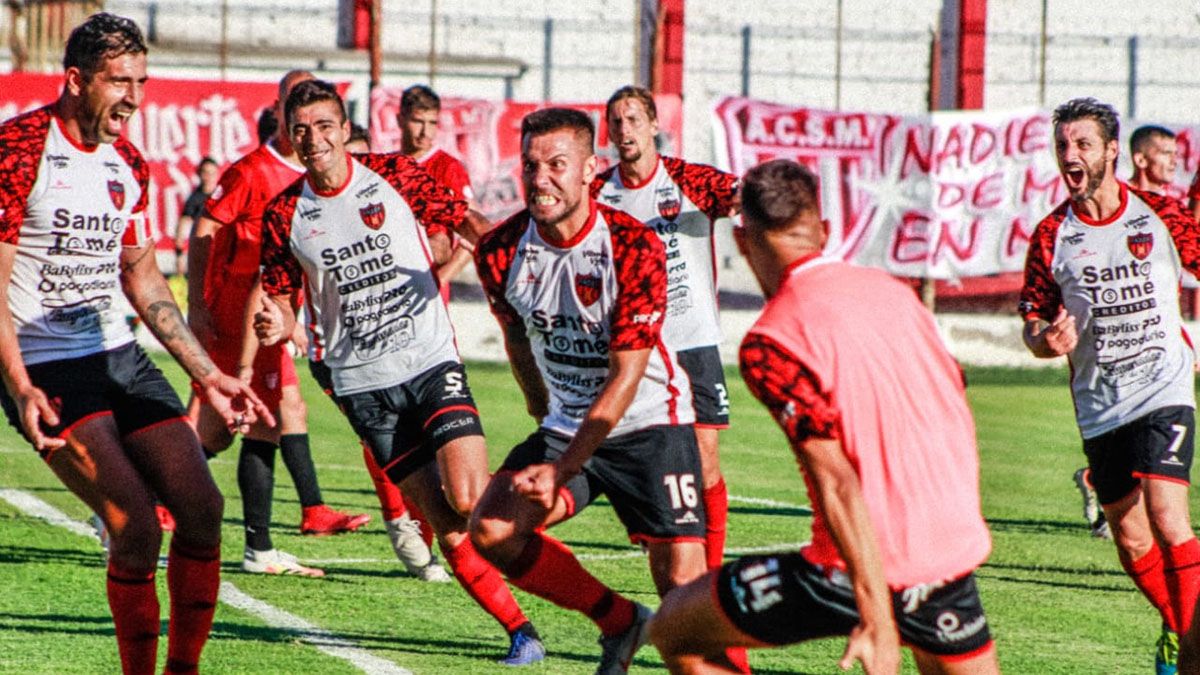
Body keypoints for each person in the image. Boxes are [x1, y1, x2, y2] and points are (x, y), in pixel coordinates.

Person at [647, 158, 998, 675]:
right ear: (825, 231)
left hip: (855, 566)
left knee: (675, 628)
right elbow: (953, 397)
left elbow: (836, 481)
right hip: (949, 549)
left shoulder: (773, 340)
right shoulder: (895, 294)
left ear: (742, 243)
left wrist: (877, 616)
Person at [0, 13, 272, 674]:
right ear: (75, 80)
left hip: (117, 353)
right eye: (119, 81)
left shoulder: (130, 166)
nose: (135, 98)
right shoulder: (19, 150)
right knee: (136, 526)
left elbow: (142, 275)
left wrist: (210, 375)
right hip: (42, 360)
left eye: (142, 81)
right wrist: (19, 386)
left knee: (203, 508)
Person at [254, 79, 545, 665]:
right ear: (289, 135)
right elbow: (283, 300)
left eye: (324, 126)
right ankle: (521, 631)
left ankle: (549, 530)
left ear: (344, 129)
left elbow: (468, 221)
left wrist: (515, 268)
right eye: (301, 129)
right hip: (359, 383)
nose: (314, 140)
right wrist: (274, 322)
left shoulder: (396, 178)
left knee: (467, 498)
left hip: (428, 360)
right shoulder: (284, 212)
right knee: (439, 518)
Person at [470, 107, 709, 674]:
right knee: (492, 529)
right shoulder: (501, 250)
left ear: (589, 171)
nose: (541, 179)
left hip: (652, 422)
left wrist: (561, 466)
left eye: (557, 164)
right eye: (531, 166)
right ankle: (621, 622)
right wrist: (542, 413)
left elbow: (626, 375)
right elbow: (516, 339)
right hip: (568, 426)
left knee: (683, 587)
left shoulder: (633, 248)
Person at [1020, 97, 1200, 675]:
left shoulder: (1161, 215)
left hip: (1164, 385)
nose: (1070, 156)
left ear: (1111, 151)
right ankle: (1180, 631)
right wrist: (1044, 338)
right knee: (1130, 537)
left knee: (1169, 516)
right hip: (1101, 401)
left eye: (1082, 144)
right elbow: (1032, 318)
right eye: (1063, 146)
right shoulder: (1052, 234)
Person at [187, 69, 368, 578]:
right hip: (236, 314)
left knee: (263, 421)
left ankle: (266, 541)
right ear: (280, 111)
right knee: (229, 427)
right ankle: (141, 497)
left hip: (270, 315)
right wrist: (200, 308)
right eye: (295, 110)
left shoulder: (316, 174)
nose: (305, 125)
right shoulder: (251, 171)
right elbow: (206, 227)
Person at [592, 85, 739, 574]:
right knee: (643, 456)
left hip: (693, 339)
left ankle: (709, 578)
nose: (624, 129)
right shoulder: (599, 193)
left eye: (633, 119)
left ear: (654, 125)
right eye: (616, 121)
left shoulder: (688, 181)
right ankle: (663, 539)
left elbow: (745, 198)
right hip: (636, 349)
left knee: (705, 458)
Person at [306, 119, 449, 581]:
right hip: (339, 352)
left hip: (411, 340)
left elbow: (448, 232)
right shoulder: (304, 210)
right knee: (383, 440)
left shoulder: (385, 194)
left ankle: (425, 531)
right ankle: (400, 520)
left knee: (432, 441)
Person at [397, 84, 477, 300]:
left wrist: (440, 279)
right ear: (400, 120)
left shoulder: (448, 168)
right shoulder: (388, 166)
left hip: (428, 293)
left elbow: (473, 234)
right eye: (418, 122)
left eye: (432, 123)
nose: (426, 132)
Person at [173, 157, 219, 277]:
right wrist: (179, 255)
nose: (209, 177)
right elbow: (183, 225)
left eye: (212, 173)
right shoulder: (195, 199)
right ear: (199, 174)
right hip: (203, 250)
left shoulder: (223, 196)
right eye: (205, 173)